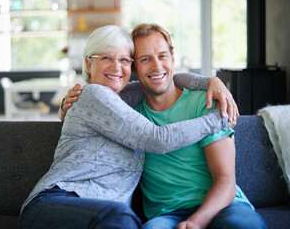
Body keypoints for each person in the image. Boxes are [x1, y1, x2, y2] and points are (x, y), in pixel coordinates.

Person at [18, 25, 233, 229]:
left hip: (103, 217)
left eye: (123, 60)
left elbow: (167, 79)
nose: (116, 66)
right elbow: (157, 139)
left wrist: (211, 82)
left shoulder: (122, 97)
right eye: (106, 58)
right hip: (57, 203)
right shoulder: (94, 94)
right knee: (121, 218)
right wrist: (219, 118)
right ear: (88, 63)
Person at [129, 23, 266, 229]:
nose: (157, 66)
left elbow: (226, 181)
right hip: (167, 215)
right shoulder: (129, 117)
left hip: (225, 207)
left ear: (173, 60)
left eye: (162, 56)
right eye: (145, 59)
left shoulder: (206, 102)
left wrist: (196, 222)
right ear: (134, 67)